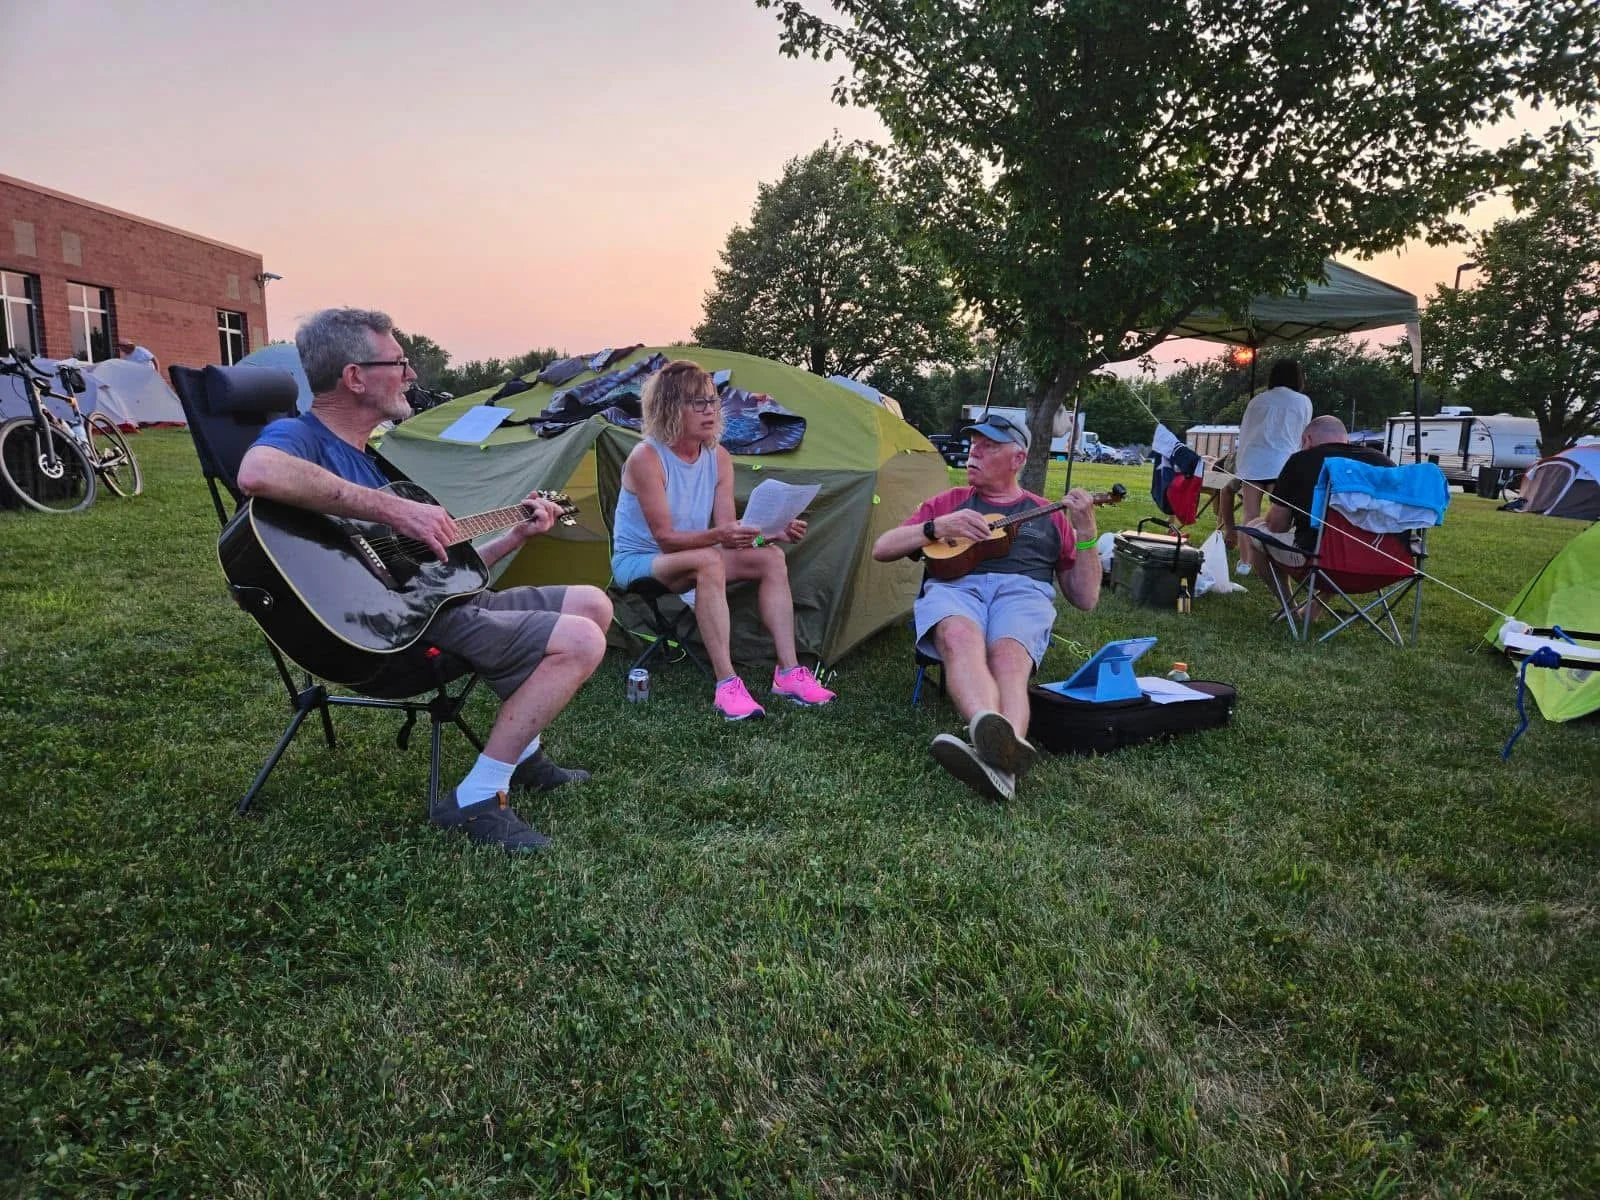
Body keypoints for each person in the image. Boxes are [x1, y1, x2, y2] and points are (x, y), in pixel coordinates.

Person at [236, 308, 612, 852]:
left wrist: (516, 536)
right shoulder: (301, 435)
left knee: (594, 604)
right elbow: (257, 472)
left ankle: (525, 755)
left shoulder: (372, 461)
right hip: (390, 634)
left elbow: (444, 574)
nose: (411, 374)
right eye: (399, 362)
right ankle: (477, 797)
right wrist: (396, 511)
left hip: (439, 608)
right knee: (581, 640)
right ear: (354, 377)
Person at [871, 411, 1101, 801]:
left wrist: (1088, 533)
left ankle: (997, 756)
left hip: (1023, 592)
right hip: (956, 587)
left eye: (989, 446)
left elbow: (1086, 598)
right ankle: (998, 751)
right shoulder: (949, 503)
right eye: (974, 444)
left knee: (1009, 658)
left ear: (1018, 459)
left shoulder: (1049, 516)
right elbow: (882, 548)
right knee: (959, 636)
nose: (973, 452)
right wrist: (937, 527)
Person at [610, 359, 835, 719]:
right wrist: (719, 536)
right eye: (697, 402)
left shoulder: (719, 458)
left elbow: (728, 533)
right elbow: (666, 539)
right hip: (640, 561)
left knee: (771, 557)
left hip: (696, 553)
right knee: (709, 560)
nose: (709, 410)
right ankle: (726, 683)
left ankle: (788, 672)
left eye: (712, 400)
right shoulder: (647, 457)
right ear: (669, 408)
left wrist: (769, 533)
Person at [1246, 414, 1394, 570]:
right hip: (1384, 561)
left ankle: (1287, 589)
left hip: (1319, 557)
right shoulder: (1384, 462)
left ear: (1307, 440)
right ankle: (1322, 589)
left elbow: (1277, 527)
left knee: (1253, 529)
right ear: (1346, 440)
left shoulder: (1300, 460)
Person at [1224, 359, 1312, 572]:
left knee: (1249, 514)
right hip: (1282, 463)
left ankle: (1245, 563)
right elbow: (1302, 434)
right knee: (1282, 516)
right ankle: (1274, 560)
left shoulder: (1258, 400)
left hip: (1252, 461)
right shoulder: (1303, 402)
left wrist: (1242, 464)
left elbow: (1246, 432)